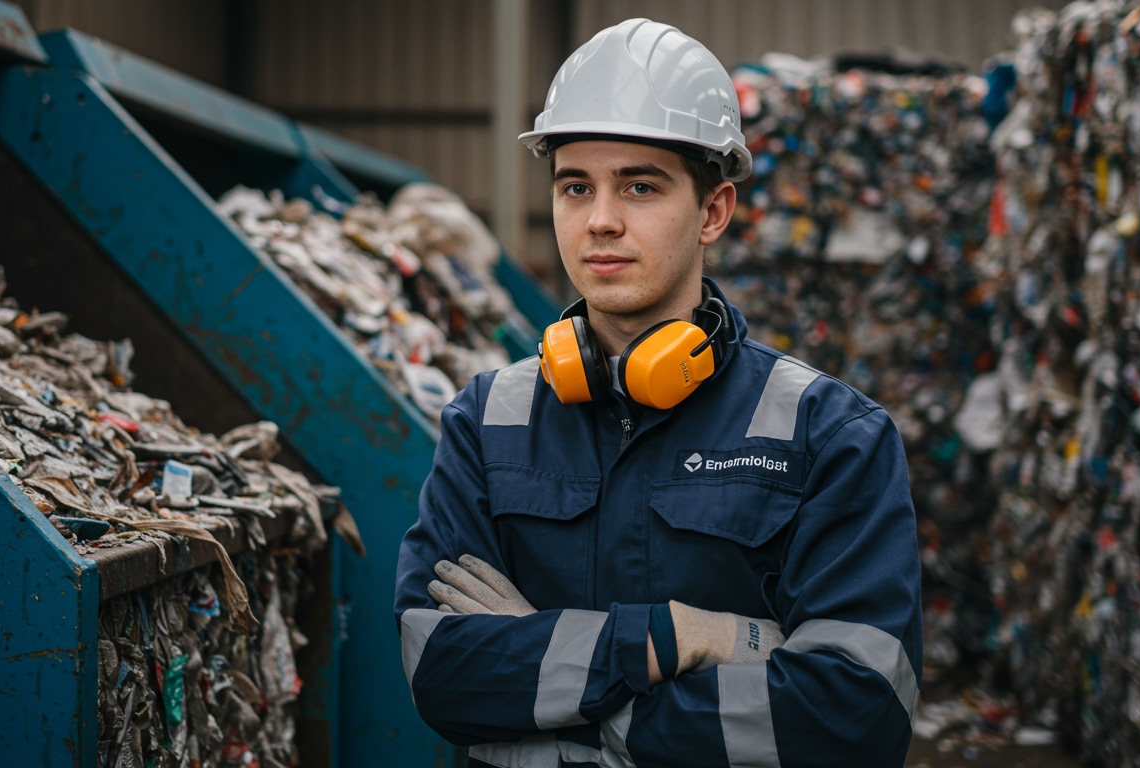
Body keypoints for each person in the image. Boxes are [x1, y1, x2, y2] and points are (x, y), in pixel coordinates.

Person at [395, 18, 921, 768]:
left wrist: (554, 683)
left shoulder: (829, 433)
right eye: (575, 186)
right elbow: (440, 675)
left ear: (713, 212)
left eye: (639, 186)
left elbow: (855, 718)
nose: (600, 220)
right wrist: (677, 638)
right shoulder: (487, 419)